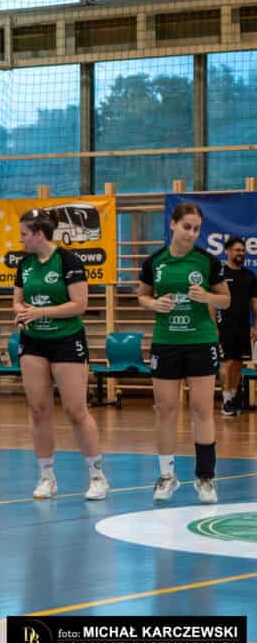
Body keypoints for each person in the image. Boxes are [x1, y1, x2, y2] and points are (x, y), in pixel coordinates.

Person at [14, 209, 109, 501]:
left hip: (66, 340)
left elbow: (79, 304)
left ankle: (97, 476)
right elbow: (17, 300)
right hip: (33, 342)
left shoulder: (68, 261)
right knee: (38, 409)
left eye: (24, 234)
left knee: (75, 410)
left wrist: (41, 312)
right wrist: (21, 312)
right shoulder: (25, 264)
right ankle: (47, 477)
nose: (20, 239)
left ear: (39, 234)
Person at [138, 202, 230, 503]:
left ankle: (205, 478)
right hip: (166, 342)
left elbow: (226, 300)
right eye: (186, 227)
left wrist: (207, 297)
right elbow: (142, 296)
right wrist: (154, 304)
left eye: (196, 229)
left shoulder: (207, 261)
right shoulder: (154, 262)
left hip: (200, 341)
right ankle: (167, 476)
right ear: (173, 225)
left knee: (201, 410)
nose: (191, 233)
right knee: (165, 409)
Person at [215, 236, 257, 416]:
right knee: (228, 362)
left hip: (243, 327)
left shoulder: (249, 275)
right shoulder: (219, 275)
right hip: (224, 326)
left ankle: (232, 396)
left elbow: (255, 303)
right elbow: (211, 303)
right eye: (237, 250)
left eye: (242, 250)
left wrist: (255, 326)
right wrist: (214, 326)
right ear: (228, 251)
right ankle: (225, 400)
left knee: (239, 363)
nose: (240, 253)